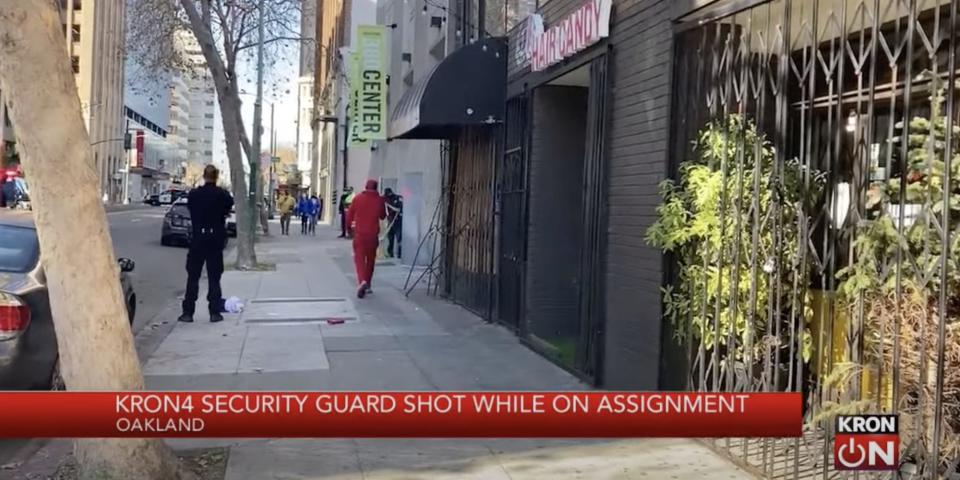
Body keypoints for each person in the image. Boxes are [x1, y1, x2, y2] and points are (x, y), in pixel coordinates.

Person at [178, 165, 233, 323]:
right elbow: (228, 207)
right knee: (214, 277)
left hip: (198, 238)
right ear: (216, 177)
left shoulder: (194, 195)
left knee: (193, 276)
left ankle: (188, 312)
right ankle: (214, 312)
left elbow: (191, 209)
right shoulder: (223, 195)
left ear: (203, 176)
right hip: (215, 239)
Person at [346, 179, 386, 299]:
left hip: (359, 235)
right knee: (370, 260)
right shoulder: (379, 200)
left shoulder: (357, 198)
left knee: (359, 260)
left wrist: (349, 230)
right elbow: (383, 216)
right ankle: (367, 283)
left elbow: (349, 216)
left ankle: (362, 280)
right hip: (373, 236)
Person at [383, 188, 403, 259]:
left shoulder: (398, 198)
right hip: (390, 221)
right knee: (390, 238)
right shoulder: (386, 199)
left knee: (399, 238)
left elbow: (398, 209)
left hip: (398, 221)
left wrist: (388, 205)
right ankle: (390, 253)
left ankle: (400, 254)